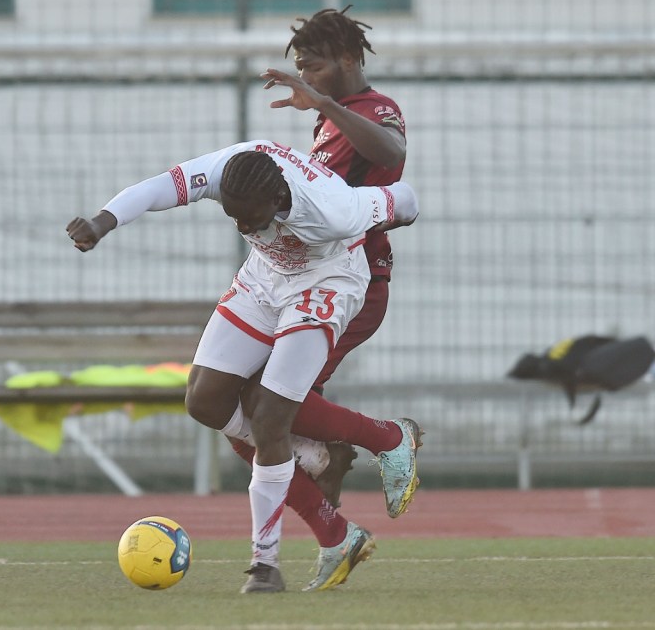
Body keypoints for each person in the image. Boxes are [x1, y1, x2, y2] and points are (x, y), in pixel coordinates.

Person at [67, 139, 419, 593]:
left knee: (270, 415)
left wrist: (401, 214)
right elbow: (156, 188)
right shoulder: (227, 170)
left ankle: (265, 563)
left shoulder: (334, 207)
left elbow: (403, 199)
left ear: (278, 200)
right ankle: (330, 510)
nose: (241, 224)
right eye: (232, 215)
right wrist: (101, 223)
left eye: (249, 217)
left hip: (326, 285)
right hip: (264, 281)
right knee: (204, 401)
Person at [225, 7, 418, 589]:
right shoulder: (327, 124)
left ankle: (388, 437)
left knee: (266, 412)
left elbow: (387, 152)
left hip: (355, 286)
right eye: (300, 67)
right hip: (301, 286)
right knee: (239, 418)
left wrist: (324, 102)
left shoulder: (374, 110)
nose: (305, 76)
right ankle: (336, 531)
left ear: (349, 61)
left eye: (314, 66)